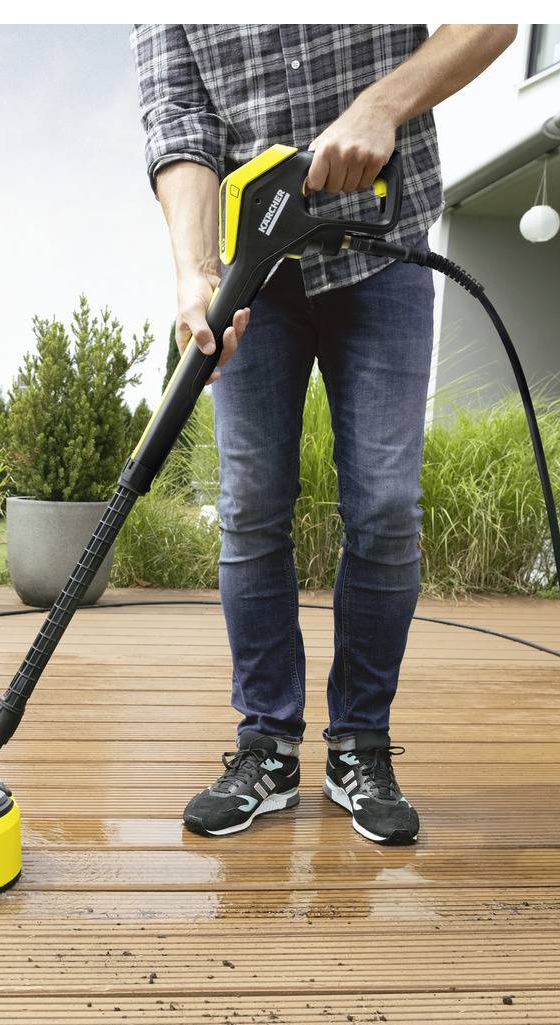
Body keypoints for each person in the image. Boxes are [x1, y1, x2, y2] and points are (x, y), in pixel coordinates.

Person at [131, 24, 516, 844]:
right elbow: (179, 118)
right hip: (254, 270)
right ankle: (265, 746)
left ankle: (359, 745)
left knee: (383, 505)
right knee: (251, 505)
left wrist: (383, 104)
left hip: (382, 252)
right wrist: (196, 271)